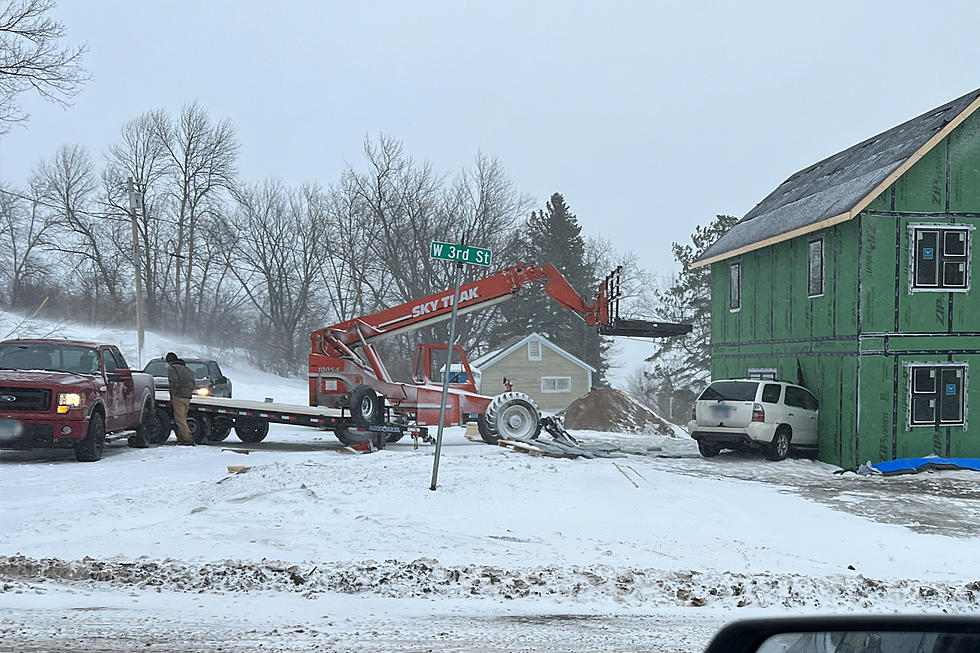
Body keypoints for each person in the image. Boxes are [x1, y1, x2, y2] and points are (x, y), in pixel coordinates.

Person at [166, 352, 196, 446]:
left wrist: (173, 395)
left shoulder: (173, 369)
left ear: (170, 361)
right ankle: (181, 439)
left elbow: (173, 382)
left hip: (178, 396)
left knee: (179, 420)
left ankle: (188, 439)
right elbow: (193, 382)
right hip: (187, 397)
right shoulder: (187, 369)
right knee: (183, 419)